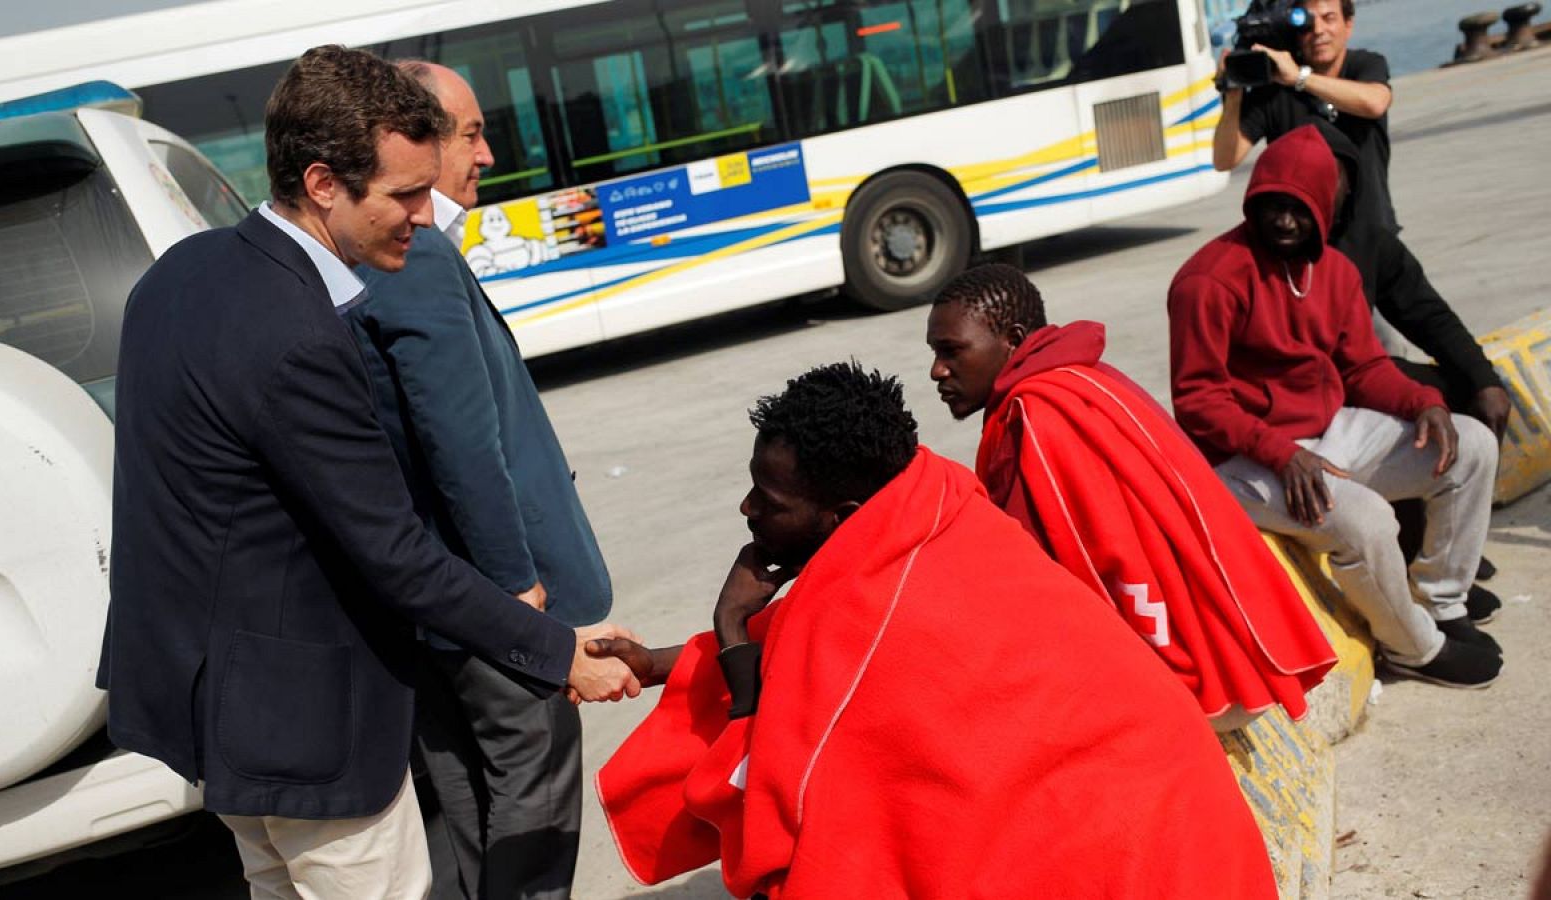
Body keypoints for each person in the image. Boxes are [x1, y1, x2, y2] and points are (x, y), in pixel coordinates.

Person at [98, 45, 637, 900]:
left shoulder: (180, 275)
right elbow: (390, 549)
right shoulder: (300, 333)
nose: (425, 218)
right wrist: (551, 651)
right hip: (303, 722)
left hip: (214, 708)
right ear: (322, 184)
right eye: (403, 195)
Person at [589, 362, 1278, 898]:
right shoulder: (939, 509)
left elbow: (763, 810)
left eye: (769, 502)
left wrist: (732, 625)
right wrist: (654, 662)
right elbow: (804, 637)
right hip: (1196, 842)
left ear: (842, 514)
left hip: (1127, 868)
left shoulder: (871, 622)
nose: (747, 510)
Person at [344, 62, 609, 900]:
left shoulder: (381, 252)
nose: (487, 154)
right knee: (529, 815)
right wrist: (515, 593)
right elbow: (459, 438)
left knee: (465, 824)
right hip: (485, 610)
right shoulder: (412, 255)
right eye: (468, 134)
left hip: (433, 608)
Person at [926, 263, 1336, 729]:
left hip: (1191, 684)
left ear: (1014, 339)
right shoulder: (1085, 378)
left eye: (952, 351)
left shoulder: (1040, 416)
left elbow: (1067, 575)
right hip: (1236, 653)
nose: (938, 370)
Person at [1167, 125, 1501, 690]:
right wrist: (1277, 453)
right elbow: (1197, 399)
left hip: (1327, 433)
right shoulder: (1209, 280)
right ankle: (1412, 649)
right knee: (1368, 520)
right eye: (1272, 206)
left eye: (1299, 209)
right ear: (1253, 201)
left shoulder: (1337, 273)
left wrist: (1424, 402)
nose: (1285, 222)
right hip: (1239, 459)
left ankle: (1443, 601)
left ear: (1325, 206)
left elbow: (1363, 369)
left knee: (1471, 446)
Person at [1310, 121, 1509, 621]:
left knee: (1463, 394)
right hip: (1311, 401)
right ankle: (1414, 553)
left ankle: (1445, 550)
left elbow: (1428, 315)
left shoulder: (1367, 239)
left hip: (1361, 372)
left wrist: (1484, 380)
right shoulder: (1277, 241)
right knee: (1411, 413)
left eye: (1333, 177)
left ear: (1351, 182)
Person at [1212, 0, 1399, 233]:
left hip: (1372, 234)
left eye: (1329, 18)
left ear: (1348, 25)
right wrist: (1233, 96)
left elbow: (1375, 103)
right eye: (1307, 24)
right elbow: (1224, 159)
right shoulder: (1274, 90)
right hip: (1306, 240)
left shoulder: (1365, 65)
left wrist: (1300, 79)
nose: (1318, 30)